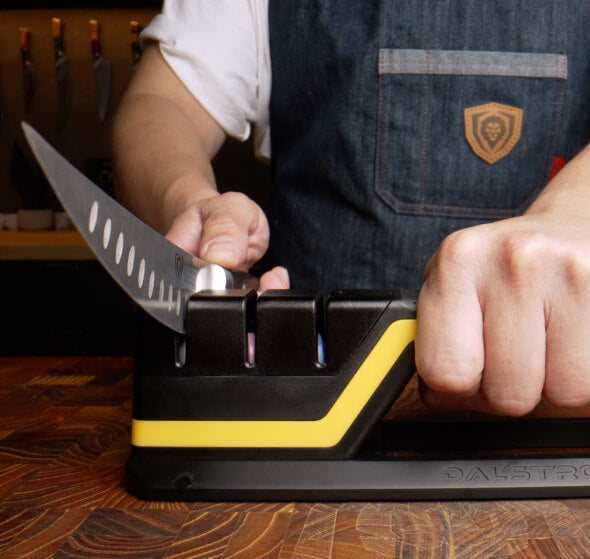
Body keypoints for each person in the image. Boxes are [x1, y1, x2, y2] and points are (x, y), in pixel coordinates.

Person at [113, 1, 590, 417]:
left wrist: (572, 209)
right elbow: (161, 102)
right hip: (298, 406)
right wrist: (191, 205)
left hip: (557, 412)